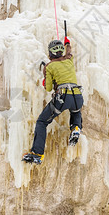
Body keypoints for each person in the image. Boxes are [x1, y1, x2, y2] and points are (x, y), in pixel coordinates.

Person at [22, 36, 83, 164]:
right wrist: (67, 43)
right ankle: (76, 128)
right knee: (76, 112)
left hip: (63, 98)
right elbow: (69, 52)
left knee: (42, 122)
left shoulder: (49, 67)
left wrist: (45, 80)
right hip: (77, 96)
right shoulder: (69, 61)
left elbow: (48, 88)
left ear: (50, 53)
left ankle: (37, 153)